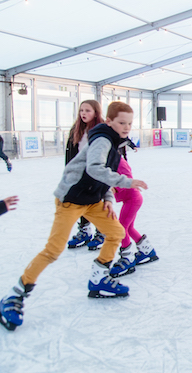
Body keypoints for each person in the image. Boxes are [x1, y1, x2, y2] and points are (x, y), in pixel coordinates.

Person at [0, 102, 148, 331]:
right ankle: (14, 295)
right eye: (121, 122)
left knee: (116, 232)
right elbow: (95, 169)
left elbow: (102, 177)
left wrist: (108, 199)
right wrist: (126, 183)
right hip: (71, 200)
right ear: (109, 121)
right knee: (53, 250)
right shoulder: (102, 140)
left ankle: (99, 278)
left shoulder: (114, 141)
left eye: (129, 123)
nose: (126, 127)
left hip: (92, 201)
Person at [108, 144, 158, 278]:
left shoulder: (119, 162)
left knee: (121, 228)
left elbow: (128, 179)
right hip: (130, 199)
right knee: (128, 228)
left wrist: (116, 188)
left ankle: (127, 258)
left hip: (133, 199)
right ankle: (147, 250)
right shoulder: (110, 163)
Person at [65, 100, 106, 251]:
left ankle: (101, 231)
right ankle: (84, 230)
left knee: (98, 203)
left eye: (87, 110)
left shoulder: (103, 129)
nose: (83, 113)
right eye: (81, 110)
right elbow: (70, 154)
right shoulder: (75, 130)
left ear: (96, 112)